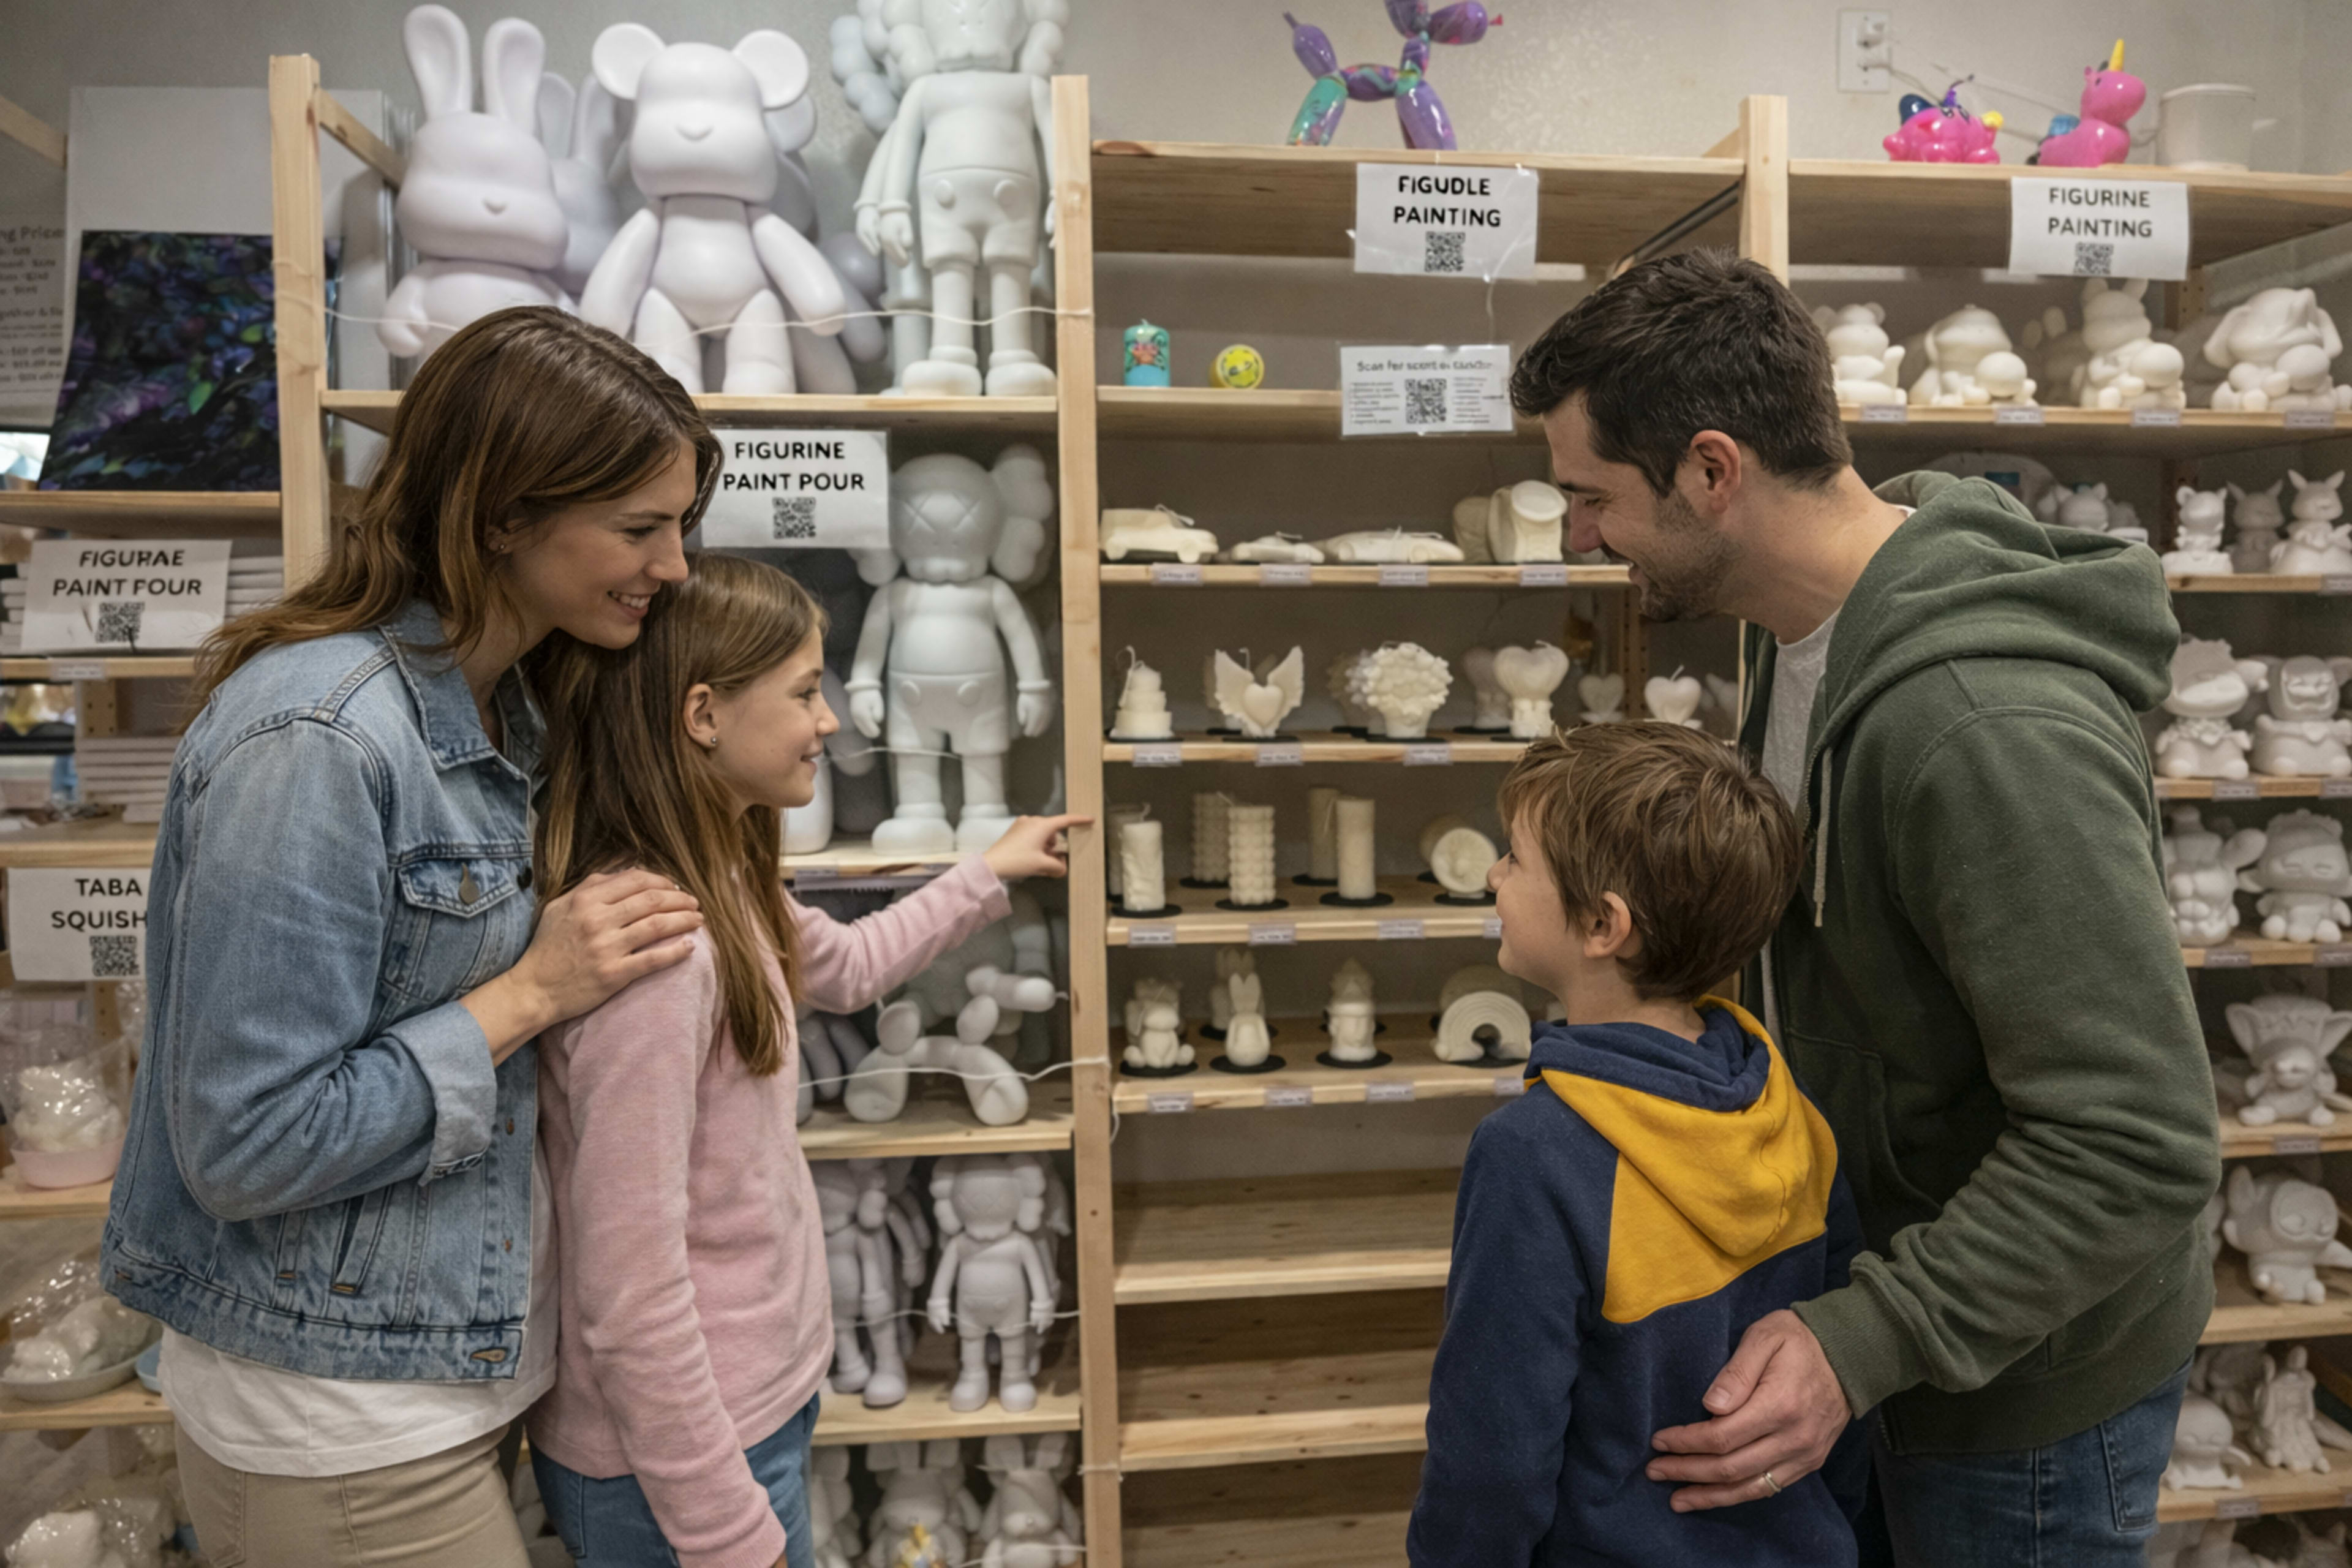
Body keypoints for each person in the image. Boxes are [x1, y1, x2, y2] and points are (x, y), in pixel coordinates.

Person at [1506, 249, 2221, 1566]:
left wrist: (1863, 1339)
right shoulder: (1790, 636)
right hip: (1903, 1314)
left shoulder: (1983, 725)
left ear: (1713, 471)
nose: (1580, 538)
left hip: (2017, 1398)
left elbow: (2138, 1136)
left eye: (1592, 497)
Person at [102, 306, 717, 1567]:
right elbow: (247, 1137)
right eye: (641, 528)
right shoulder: (318, 738)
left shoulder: (507, 712)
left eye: (681, 527)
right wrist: (531, 991)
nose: (676, 567)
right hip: (337, 1422)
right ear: (504, 513)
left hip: (439, 1377)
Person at [524, 553, 1084, 1568]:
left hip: (746, 1421)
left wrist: (987, 871)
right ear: (703, 714)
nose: (829, 721)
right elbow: (629, 1292)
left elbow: (849, 963)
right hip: (683, 1473)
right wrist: (726, 1532)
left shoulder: (723, 882)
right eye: (802, 693)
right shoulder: (660, 950)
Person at [1409, 722, 1864, 1567]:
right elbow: (1839, 1399)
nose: (1492, 875)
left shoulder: (1535, 1155)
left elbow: (1494, 1459)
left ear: (1602, 925)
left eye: (1514, 857)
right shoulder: (1789, 1111)